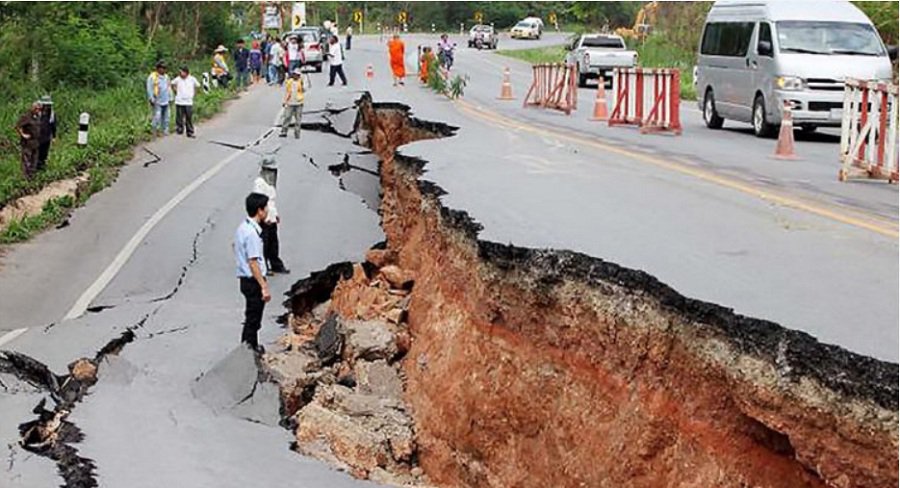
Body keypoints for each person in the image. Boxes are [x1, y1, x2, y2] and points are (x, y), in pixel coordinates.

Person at [234, 192, 271, 352]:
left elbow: (234, 246)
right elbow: (253, 262)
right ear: (259, 210)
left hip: (244, 279)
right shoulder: (252, 234)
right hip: (253, 281)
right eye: (266, 207)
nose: (268, 210)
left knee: (251, 316)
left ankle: (251, 346)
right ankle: (248, 349)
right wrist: (263, 285)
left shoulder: (243, 228)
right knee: (253, 319)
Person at [253, 158, 290, 275]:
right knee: (264, 243)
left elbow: (271, 202)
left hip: (271, 218)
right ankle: (263, 267)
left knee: (273, 243)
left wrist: (275, 215)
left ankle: (276, 264)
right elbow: (259, 202)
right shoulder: (259, 183)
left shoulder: (270, 183)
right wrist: (264, 217)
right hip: (263, 218)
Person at [14, 102, 42, 179]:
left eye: (39, 109)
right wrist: (23, 134)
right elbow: (17, 126)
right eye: (36, 109)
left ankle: (32, 176)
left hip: (36, 142)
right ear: (33, 108)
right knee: (26, 160)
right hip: (28, 143)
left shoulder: (37, 117)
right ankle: (25, 177)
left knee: (34, 159)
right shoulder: (26, 117)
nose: (38, 110)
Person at [171, 66, 201, 138]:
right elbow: (172, 84)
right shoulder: (178, 79)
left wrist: (193, 94)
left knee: (189, 117)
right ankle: (179, 129)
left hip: (188, 101)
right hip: (179, 100)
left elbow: (198, 86)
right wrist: (175, 91)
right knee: (179, 116)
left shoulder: (192, 79)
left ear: (186, 72)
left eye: (181, 72)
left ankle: (190, 131)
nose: (180, 73)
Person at [146, 61, 172, 137]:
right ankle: (155, 131)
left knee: (167, 116)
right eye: (162, 68)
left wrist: (171, 97)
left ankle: (165, 130)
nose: (163, 70)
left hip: (166, 99)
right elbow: (149, 88)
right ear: (158, 68)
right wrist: (151, 98)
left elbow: (168, 87)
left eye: (165, 68)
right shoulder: (152, 77)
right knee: (157, 116)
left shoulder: (166, 77)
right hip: (157, 100)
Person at [280, 68, 305, 138]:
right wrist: (285, 101)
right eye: (295, 74)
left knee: (298, 119)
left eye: (298, 75)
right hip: (290, 102)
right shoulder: (289, 82)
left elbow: (304, 90)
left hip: (299, 102)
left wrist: (302, 84)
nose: (296, 76)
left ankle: (297, 133)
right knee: (287, 117)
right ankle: (284, 131)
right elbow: (287, 92)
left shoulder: (301, 82)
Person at [37, 95, 56, 172]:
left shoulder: (52, 114)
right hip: (37, 137)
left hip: (46, 137)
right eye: (45, 105)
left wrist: (54, 137)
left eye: (48, 105)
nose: (46, 107)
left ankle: (42, 168)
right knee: (36, 153)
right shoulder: (37, 113)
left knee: (44, 153)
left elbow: (53, 126)